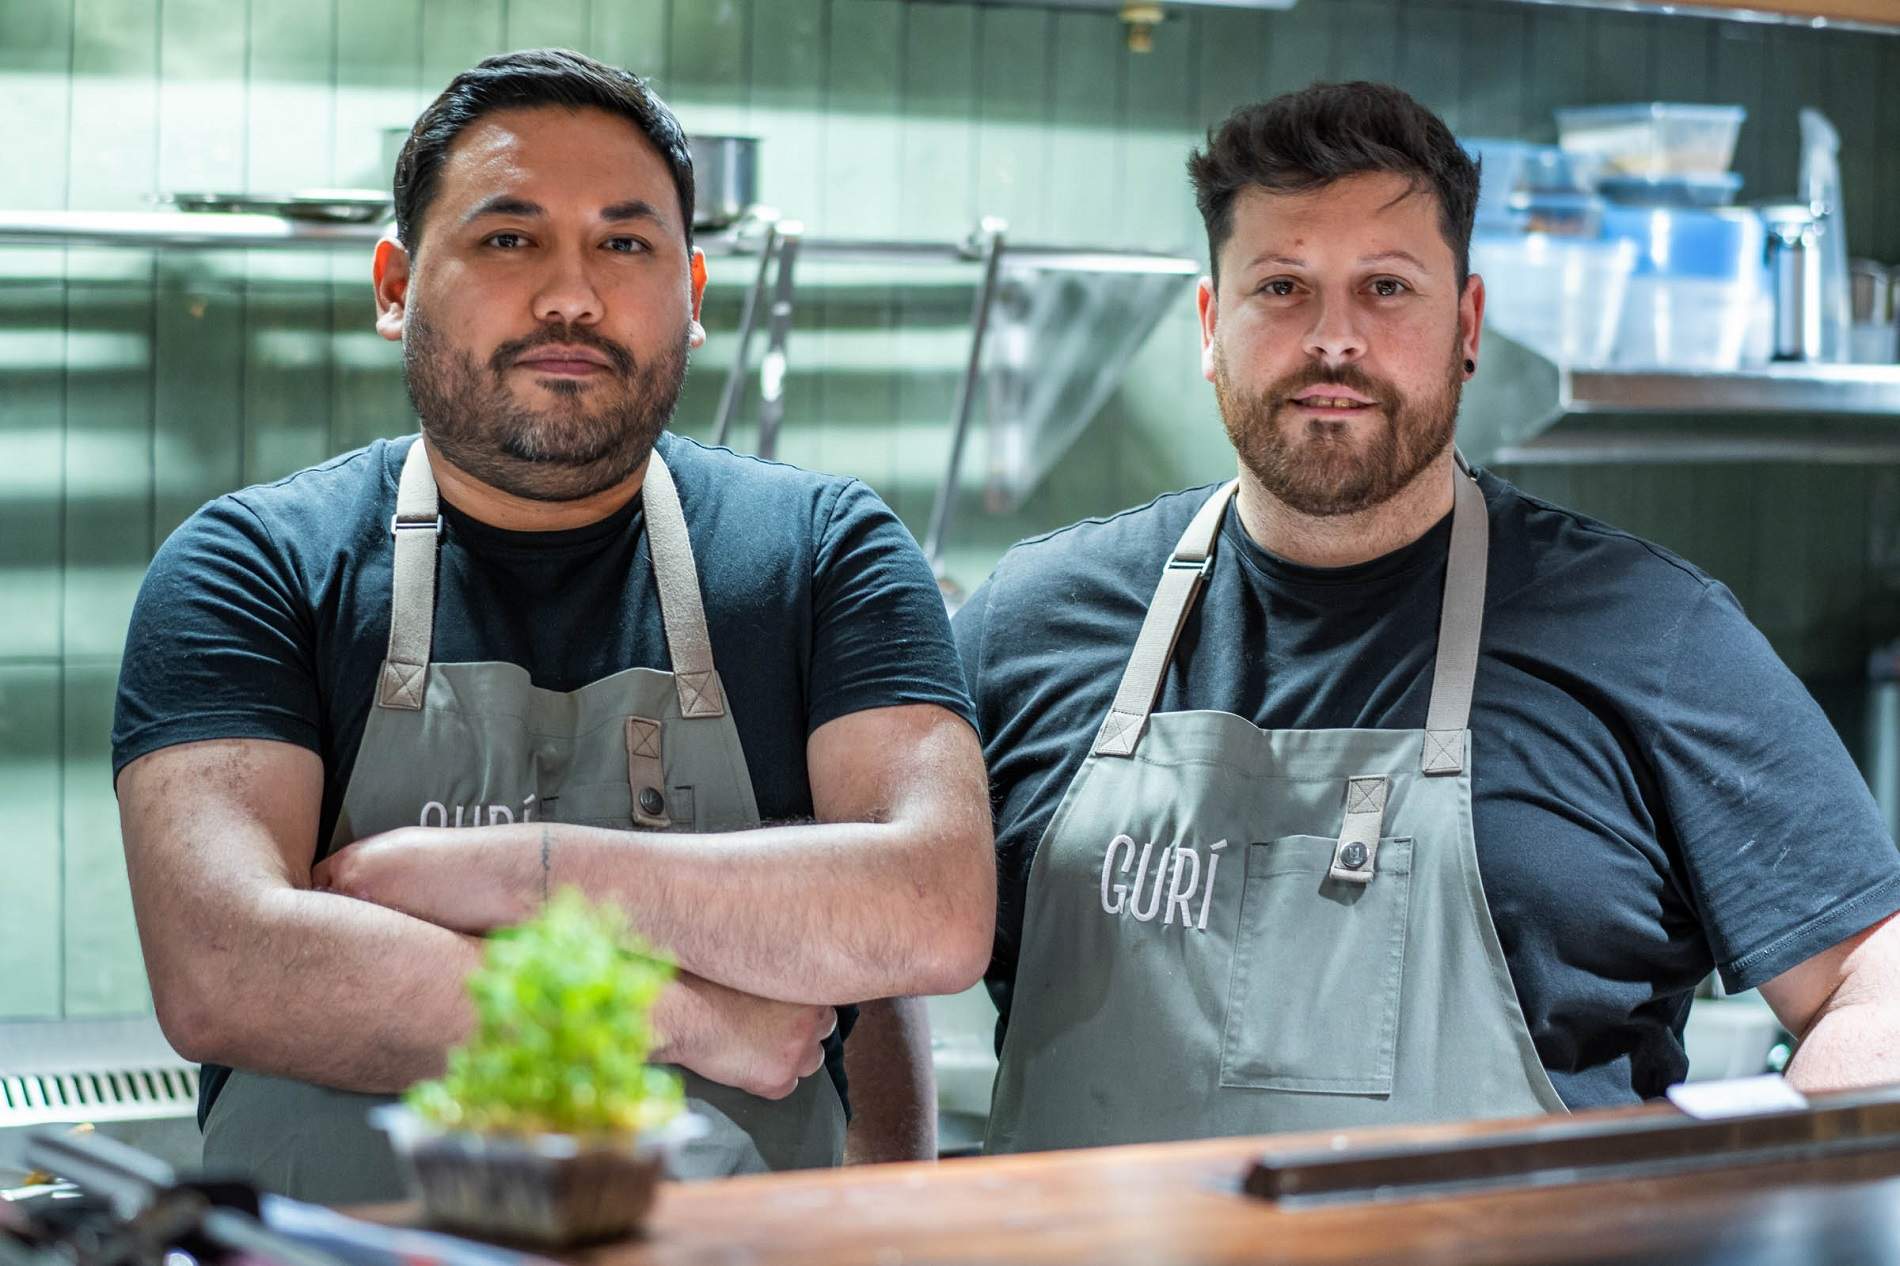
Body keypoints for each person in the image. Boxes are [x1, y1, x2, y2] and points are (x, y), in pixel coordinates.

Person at [113, 48, 993, 1203]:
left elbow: (928, 910)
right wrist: (685, 1015)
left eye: (625, 244)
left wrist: (511, 877)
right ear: (394, 286)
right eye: (508, 238)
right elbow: (227, 967)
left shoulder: (823, 553)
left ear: (693, 295)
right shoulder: (253, 567)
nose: (571, 296)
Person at [958, 81, 1900, 1156]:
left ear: (1466, 326)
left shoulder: (1652, 636)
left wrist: (1739, 1206)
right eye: (1280, 286)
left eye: (1386, 288)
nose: (1333, 341)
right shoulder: (1029, 626)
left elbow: (1877, 986)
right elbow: (871, 971)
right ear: (1211, 327)